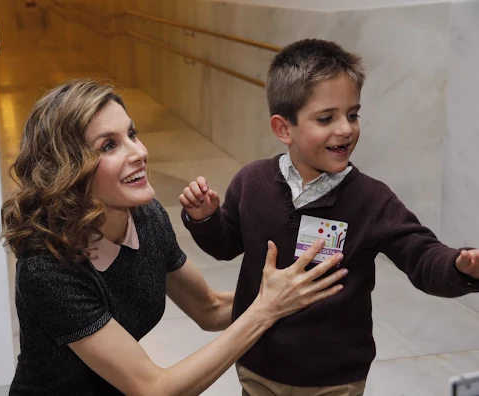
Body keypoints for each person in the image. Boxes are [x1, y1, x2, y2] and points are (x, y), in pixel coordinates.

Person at [0, 79, 349, 395]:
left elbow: (208, 308)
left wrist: (295, 291)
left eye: (131, 135)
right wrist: (266, 309)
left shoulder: (147, 218)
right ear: (67, 171)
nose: (139, 153)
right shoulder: (48, 270)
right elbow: (153, 389)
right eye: (109, 146)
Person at [180, 38, 479, 396]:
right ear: (283, 129)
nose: (345, 129)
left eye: (352, 114)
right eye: (326, 118)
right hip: (258, 364)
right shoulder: (252, 182)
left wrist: (458, 266)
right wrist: (205, 218)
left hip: (334, 379)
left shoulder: (371, 199)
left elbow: (421, 254)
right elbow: (225, 245)